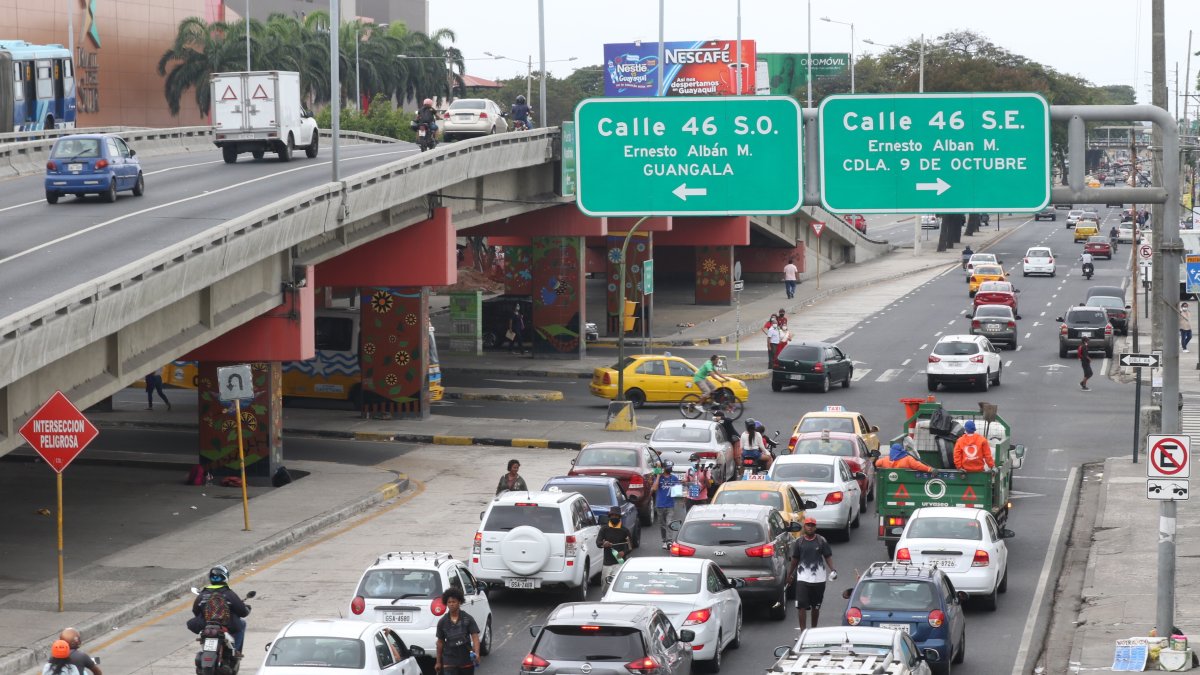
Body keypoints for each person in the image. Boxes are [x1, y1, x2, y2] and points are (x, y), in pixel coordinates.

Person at [785, 517, 836, 631]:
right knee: (801, 606)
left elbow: (827, 556)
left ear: (815, 527)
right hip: (803, 578)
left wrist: (833, 569)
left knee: (816, 607)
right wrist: (790, 575)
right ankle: (803, 632)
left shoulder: (821, 540)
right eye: (808, 525)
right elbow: (794, 559)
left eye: (812, 525)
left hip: (819, 579)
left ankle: (813, 631)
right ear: (804, 526)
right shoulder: (799, 542)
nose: (810, 527)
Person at [187, 565, 250, 654]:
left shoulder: (203, 593)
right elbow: (242, 611)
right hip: (227, 625)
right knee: (242, 624)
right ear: (225, 577)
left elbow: (195, 610)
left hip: (206, 624)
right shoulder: (229, 593)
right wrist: (246, 609)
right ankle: (236, 651)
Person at [435, 587, 482, 675]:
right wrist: (438, 662)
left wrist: (477, 653)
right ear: (446, 603)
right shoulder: (442, 622)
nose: (451, 604)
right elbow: (440, 642)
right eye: (449, 602)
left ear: (459, 602)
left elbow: (475, 637)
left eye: (454, 602)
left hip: (466, 660)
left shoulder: (468, 619)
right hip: (449, 661)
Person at [598, 507, 633, 591]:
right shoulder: (604, 529)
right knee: (605, 586)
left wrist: (623, 553)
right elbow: (598, 543)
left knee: (617, 586)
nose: (614, 517)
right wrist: (604, 544)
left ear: (619, 517)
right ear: (609, 516)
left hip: (619, 563)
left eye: (616, 516)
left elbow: (630, 547)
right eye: (612, 515)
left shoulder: (624, 531)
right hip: (607, 563)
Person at [654, 460, 685, 548]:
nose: (669, 469)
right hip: (660, 505)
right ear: (664, 468)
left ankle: (669, 541)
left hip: (670, 505)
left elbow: (678, 493)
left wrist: (682, 497)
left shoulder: (674, 478)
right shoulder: (659, 477)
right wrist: (658, 475)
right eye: (668, 468)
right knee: (662, 525)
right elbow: (655, 488)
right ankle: (664, 540)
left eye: (671, 468)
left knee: (669, 523)